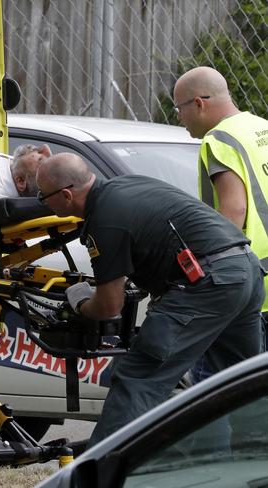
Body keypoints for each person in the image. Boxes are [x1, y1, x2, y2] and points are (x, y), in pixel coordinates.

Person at [36, 152, 265, 446]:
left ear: (66, 195)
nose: (43, 203)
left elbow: (109, 306)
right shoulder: (129, 185)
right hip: (245, 269)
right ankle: (254, 462)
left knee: (138, 377)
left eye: (44, 198)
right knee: (241, 381)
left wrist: (80, 300)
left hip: (209, 283)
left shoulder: (104, 220)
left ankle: (103, 468)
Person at [173, 66, 268, 379]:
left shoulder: (220, 141)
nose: (179, 118)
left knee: (224, 395)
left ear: (199, 104)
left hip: (252, 285)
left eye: (180, 109)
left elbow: (234, 210)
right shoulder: (261, 128)